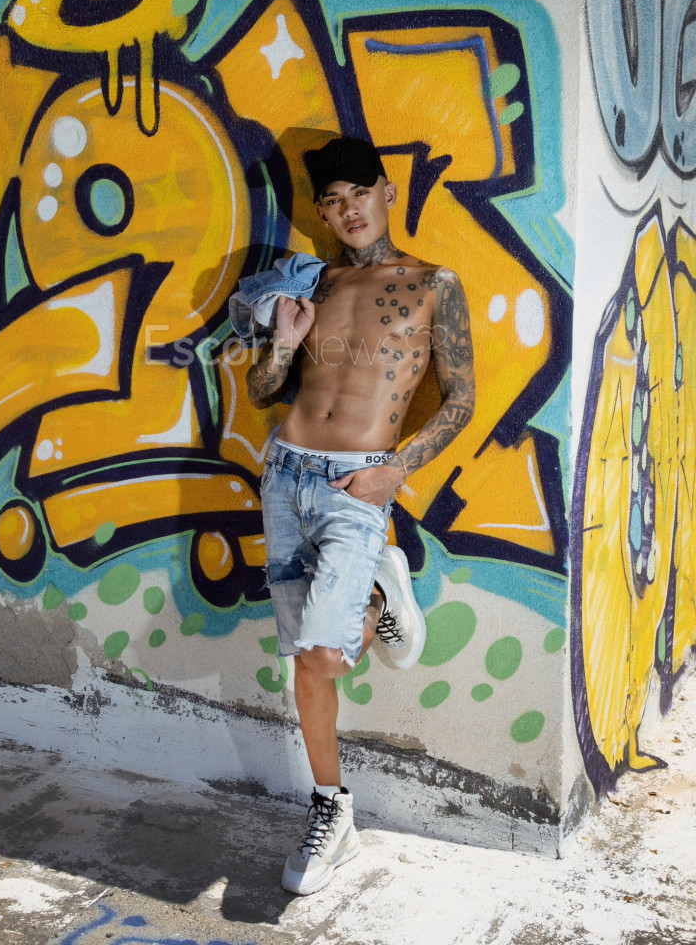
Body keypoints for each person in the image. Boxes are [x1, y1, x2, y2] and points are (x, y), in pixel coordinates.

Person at [246, 136, 475, 895]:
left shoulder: (433, 285)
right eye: (333, 201)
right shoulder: (314, 282)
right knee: (304, 660)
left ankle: (378, 595)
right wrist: (283, 343)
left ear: (387, 192)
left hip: (357, 487)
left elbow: (463, 400)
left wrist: (397, 469)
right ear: (322, 212)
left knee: (328, 654)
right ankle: (332, 808)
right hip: (285, 475)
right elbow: (263, 389)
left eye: (360, 194)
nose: (349, 211)